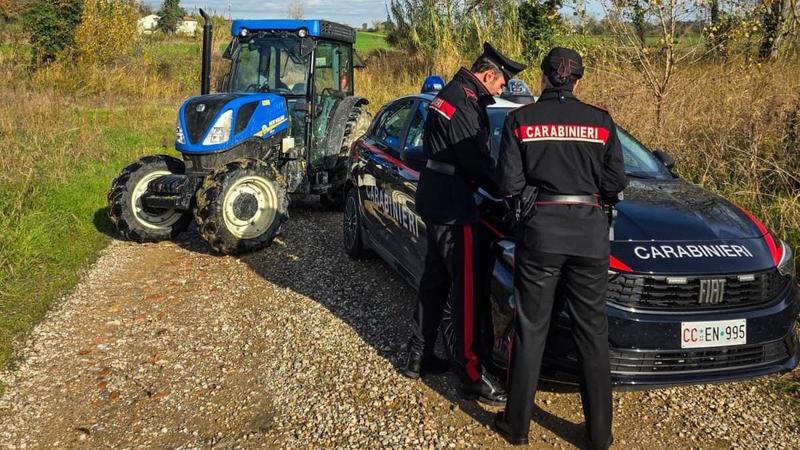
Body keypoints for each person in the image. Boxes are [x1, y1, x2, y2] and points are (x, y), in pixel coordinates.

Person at [493, 47, 628, 448]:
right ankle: (599, 436)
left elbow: (508, 186)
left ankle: (517, 427)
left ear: (544, 77)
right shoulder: (601, 122)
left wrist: (536, 191)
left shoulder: (520, 119)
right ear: (577, 80)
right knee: (592, 333)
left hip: (541, 235)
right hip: (589, 236)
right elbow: (615, 182)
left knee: (531, 329)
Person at [399, 43, 525, 407]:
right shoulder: (463, 103)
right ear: (488, 75)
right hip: (455, 207)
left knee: (434, 283)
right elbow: (478, 163)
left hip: (437, 198)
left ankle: (417, 355)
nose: (501, 90)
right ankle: (472, 374)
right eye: (501, 84)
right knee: (466, 291)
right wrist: (509, 191)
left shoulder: (451, 95)